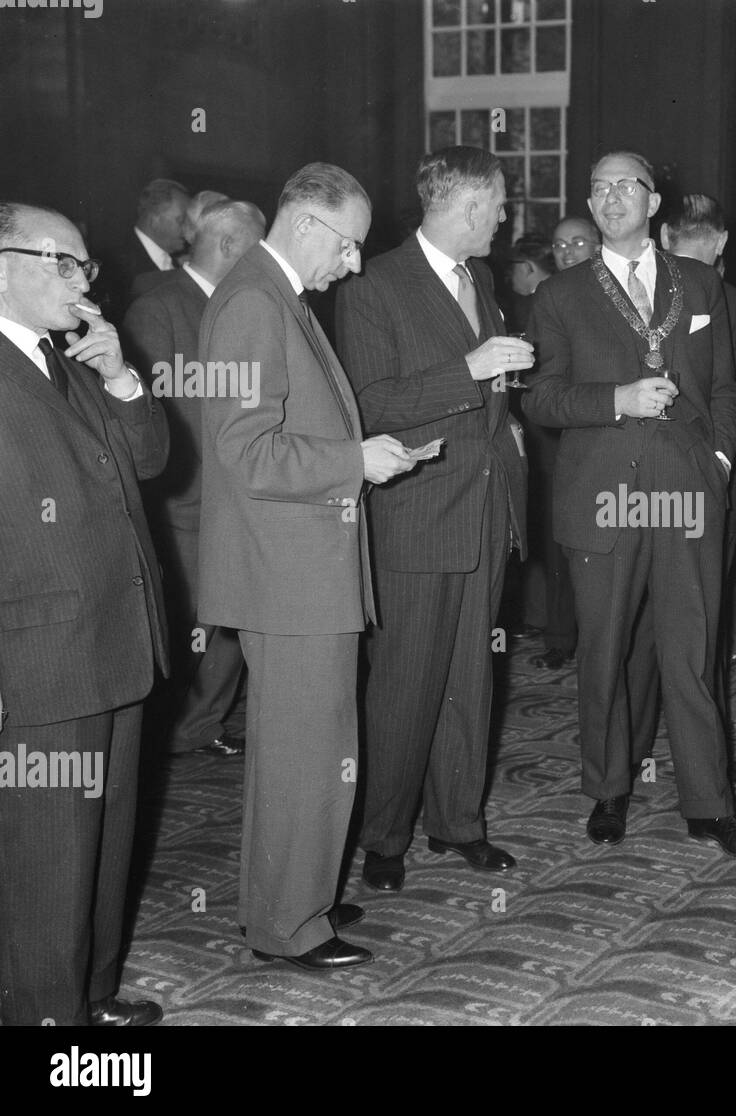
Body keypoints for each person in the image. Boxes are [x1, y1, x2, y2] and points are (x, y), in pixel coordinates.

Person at [198, 162, 416, 970]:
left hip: (298, 571)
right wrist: (353, 460)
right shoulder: (257, 300)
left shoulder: (271, 293)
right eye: (351, 247)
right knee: (303, 755)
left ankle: (294, 899)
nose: (354, 264)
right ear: (309, 225)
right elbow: (246, 452)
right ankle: (289, 925)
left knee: (307, 750)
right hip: (286, 577)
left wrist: (355, 457)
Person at [523, 149, 736, 858]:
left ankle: (709, 802)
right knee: (604, 650)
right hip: (602, 493)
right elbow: (539, 397)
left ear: (655, 202)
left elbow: (724, 388)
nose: (609, 198)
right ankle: (607, 791)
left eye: (625, 185)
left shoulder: (698, 284)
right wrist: (616, 401)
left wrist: (719, 463)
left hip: (687, 490)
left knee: (691, 651)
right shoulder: (561, 294)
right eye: (597, 189)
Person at [336, 146, 529, 888]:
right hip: (416, 518)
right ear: (470, 204)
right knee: (404, 687)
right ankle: (384, 837)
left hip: (483, 513)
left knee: (469, 681)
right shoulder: (375, 285)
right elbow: (367, 403)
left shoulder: (480, 279)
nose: (507, 217)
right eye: (501, 203)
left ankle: (457, 824)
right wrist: (470, 371)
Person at [0, 201, 169, 1025]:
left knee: (102, 846)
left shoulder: (64, 360)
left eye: (85, 263)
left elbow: (151, 460)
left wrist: (121, 379)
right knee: (46, 860)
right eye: (60, 261)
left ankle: (90, 996)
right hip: (37, 662)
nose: (82, 279)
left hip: (113, 639)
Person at [121, 199, 265, 759]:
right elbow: (152, 419)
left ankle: (200, 725)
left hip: (242, 494)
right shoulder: (158, 307)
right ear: (230, 246)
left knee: (230, 618)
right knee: (194, 624)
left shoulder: (245, 303)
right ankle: (176, 730)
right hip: (190, 501)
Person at [659, 193, 736, 783]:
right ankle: (707, 757)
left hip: (640, 482)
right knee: (704, 619)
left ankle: (639, 759)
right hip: (711, 480)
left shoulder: (635, 295)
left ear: (666, 232)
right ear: (722, 242)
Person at [527, 216, 601, 672]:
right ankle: (560, 636)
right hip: (553, 432)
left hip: (604, 427)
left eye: (577, 243)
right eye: (559, 245)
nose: (568, 252)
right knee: (559, 541)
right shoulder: (547, 298)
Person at [99, 178, 190, 317]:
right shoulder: (116, 265)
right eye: (181, 220)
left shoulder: (176, 263)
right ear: (154, 218)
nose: (187, 229)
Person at [505, 232, 556, 332]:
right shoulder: (561, 294)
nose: (509, 274)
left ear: (526, 267)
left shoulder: (533, 307)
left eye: (512, 267)